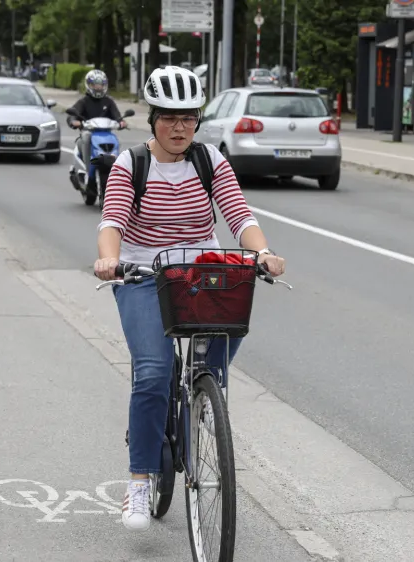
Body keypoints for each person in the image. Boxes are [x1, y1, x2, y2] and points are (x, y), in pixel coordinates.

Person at [94, 66, 286, 531]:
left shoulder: (209, 160)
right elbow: (112, 222)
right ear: (153, 119)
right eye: (169, 118)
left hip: (201, 273)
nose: (179, 127)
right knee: (153, 373)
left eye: (188, 118)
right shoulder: (131, 165)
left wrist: (262, 253)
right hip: (143, 274)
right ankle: (140, 480)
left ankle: (201, 393)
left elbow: (239, 216)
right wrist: (109, 260)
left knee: (224, 337)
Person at [67, 69, 127, 175]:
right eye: (95, 85)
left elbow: (117, 116)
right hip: (88, 132)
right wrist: (73, 121)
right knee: (86, 136)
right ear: (89, 85)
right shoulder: (83, 101)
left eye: (101, 85)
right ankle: (87, 169)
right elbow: (72, 114)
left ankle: (116, 170)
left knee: (115, 139)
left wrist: (122, 122)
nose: (98, 88)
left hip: (106, 133)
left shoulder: (109, 101)